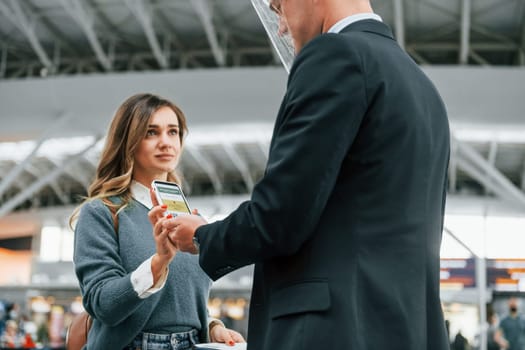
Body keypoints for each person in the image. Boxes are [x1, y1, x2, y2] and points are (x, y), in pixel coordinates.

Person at [162, 0, 451, 349]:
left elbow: (281, 214)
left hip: (331, 332)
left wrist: (203, 237)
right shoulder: (421, 86)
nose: (281, 26)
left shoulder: (335, 54)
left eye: (278, 6)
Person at [70, 93, 244, 349]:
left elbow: (180, 301)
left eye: (173, 132)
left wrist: (212, 326)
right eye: (151, 132)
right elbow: (102, 305)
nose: (166, 142)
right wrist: (158, 262)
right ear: (128, 141)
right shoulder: (101, 212)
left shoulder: (190, 218)